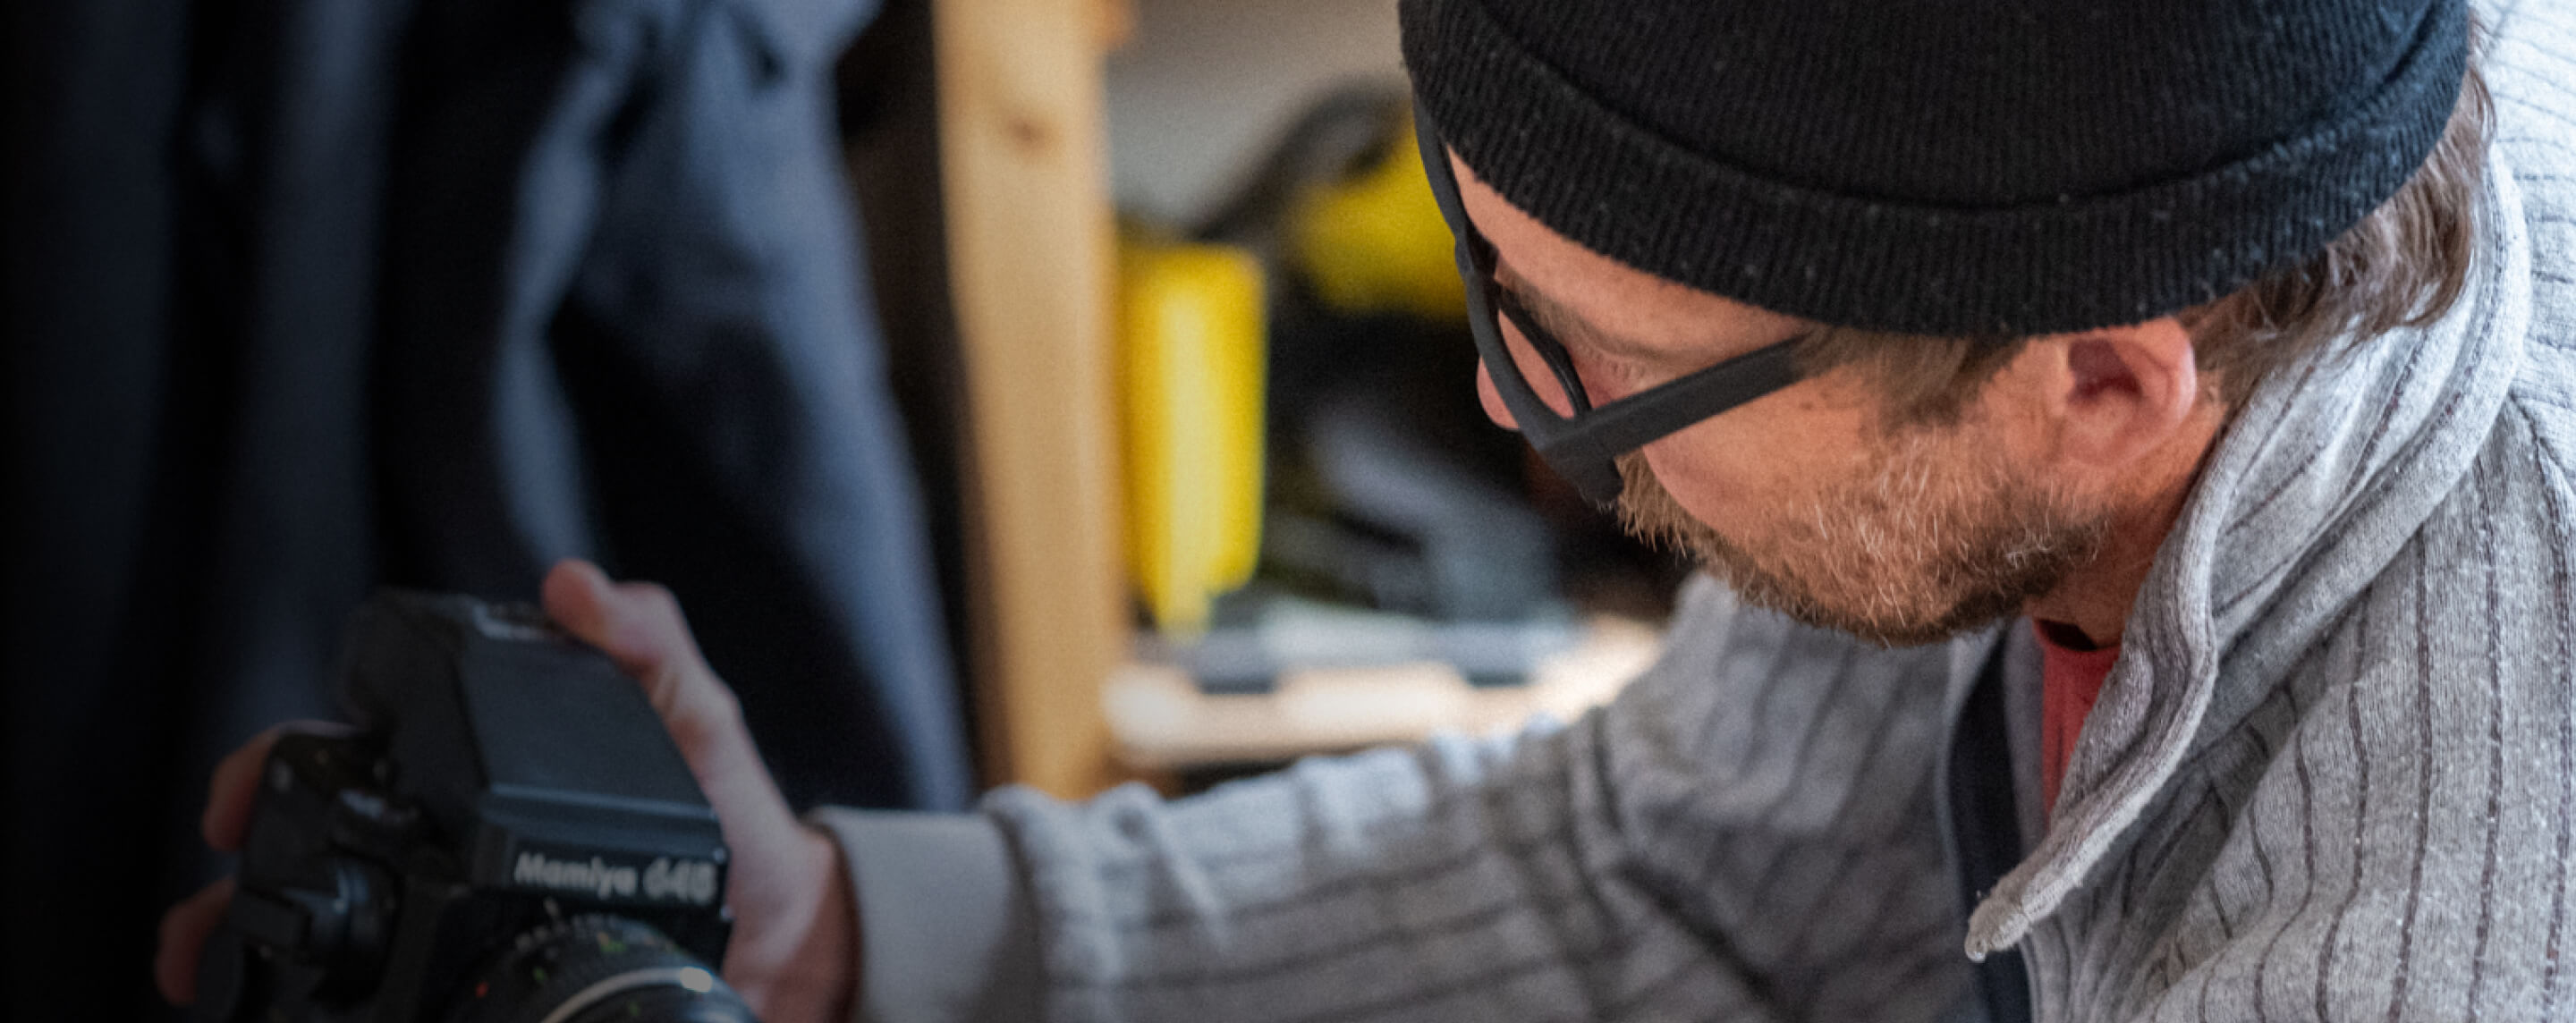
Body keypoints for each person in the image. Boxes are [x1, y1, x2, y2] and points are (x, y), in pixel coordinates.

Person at [160, 0, 2576, 1019]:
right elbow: (1677, 886)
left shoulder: (2434, 920)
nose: (1530, 432)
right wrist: (851, 934)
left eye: (1593, 370)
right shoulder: (2088, 228)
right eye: (1483, 280)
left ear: (2097, 388)